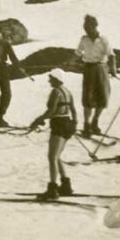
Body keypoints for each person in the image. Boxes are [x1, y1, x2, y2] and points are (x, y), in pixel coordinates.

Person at [28, 68, 78, 201]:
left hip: (59, 124)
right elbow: (73, 109)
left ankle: (52, 189)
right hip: (68, 123)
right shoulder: (67, 91)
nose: (49, 80)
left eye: (51, 78)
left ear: (57, 79)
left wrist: (39, 120)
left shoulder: (56, 92)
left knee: (52, 157)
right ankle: (66, 185)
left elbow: (51, 111)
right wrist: (74, 124)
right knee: (57, 156)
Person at [74, 14, 115, 137]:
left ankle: (95, 122)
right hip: (88, 69)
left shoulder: (103, 39)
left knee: (102, 97)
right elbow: (78, 53)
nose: (87, 30)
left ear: (95, 26)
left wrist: (113, 68)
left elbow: (111, 55)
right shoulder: (84, 39)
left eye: (89, 27)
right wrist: (68, 61)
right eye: (85, 27)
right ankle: (86, 125)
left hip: (101, 68)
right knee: (88, 98)